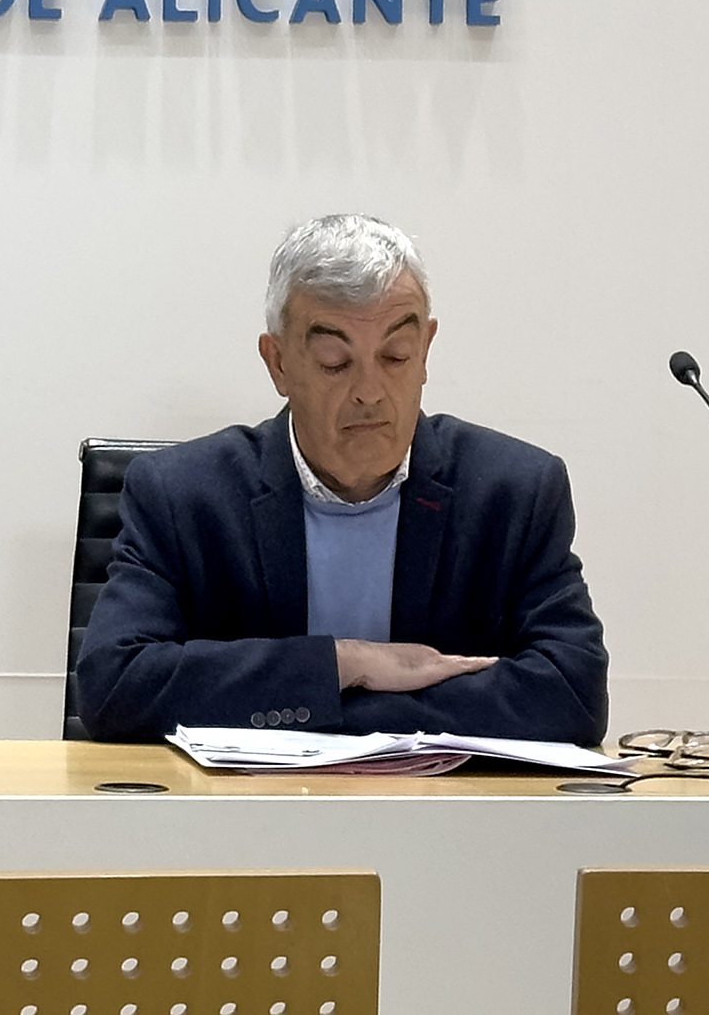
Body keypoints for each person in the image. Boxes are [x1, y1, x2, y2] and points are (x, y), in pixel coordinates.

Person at [75, 214, 608, 745]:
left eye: (395, 356)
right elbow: (114, 686)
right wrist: (346, 663)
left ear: (425, 350)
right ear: (278, 363)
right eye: (335, 362)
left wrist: (330, 708)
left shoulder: (513, 493)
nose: (370, 391)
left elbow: (573, 694)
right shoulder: (182, 496)